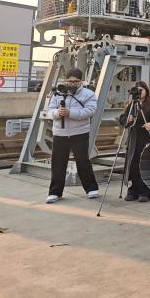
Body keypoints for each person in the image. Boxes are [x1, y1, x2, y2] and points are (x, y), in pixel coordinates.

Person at [46, 68, 100, 203]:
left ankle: (91, 189)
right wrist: (58, 113)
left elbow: (90, 111)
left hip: (80, 133)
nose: (72, 84)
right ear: (66, 81)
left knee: (83, 162)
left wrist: (70, 113)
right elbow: (49, 111)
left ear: (81, 81)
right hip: (60, 133)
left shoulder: (89, 94)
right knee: (58, 164)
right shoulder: (57, 93)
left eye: (76, 81)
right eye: (70, 81)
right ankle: (55, 193)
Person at [118, 81, 150, 202]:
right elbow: (122, 119)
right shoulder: (132, 104)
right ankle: (133, 190)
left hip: (148, 136)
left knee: (145, 163)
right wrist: (128, 120)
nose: (140, 92)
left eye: (142, 90)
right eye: (137, 90)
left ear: (146, 91)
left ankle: (146, 191)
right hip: (134, 137)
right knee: (133, 164)